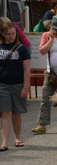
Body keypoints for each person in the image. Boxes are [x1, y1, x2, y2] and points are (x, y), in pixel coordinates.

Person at [32, 15, 57, 135]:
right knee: (45, 98)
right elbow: (43, 51)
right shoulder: (46, 36)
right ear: (52, 28)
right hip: (51, 72)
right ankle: (42, 124)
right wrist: (51, 39)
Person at [0, 19, 31, 150]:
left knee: (17, 113)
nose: (11, 36)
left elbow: (27, 69)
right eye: (8, 34)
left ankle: (17, 137)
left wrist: (26, 87)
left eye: (13, 33)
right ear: (2, 34)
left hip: (18, 84)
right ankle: (4, 142)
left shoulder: (22, 49)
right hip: (2, 85)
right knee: (5, 113)